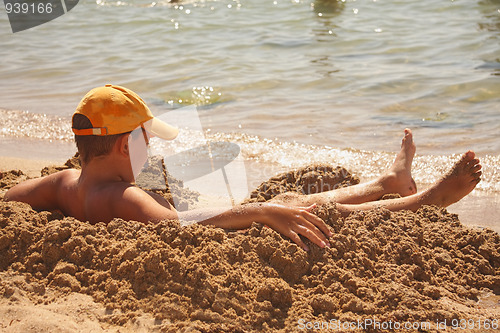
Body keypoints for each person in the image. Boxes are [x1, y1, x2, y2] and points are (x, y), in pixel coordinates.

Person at [4, 85, 482, 251]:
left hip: (187, 212)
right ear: (126, 147)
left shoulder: (68, 185)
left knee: (290, 202)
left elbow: (11, 197)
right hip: (220, 228)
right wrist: (258, 212)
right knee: (297, 209)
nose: (152, 150)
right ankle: (421, 199)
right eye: (147, 139)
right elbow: (181, 224)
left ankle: (386, 182)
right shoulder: (122, 196)